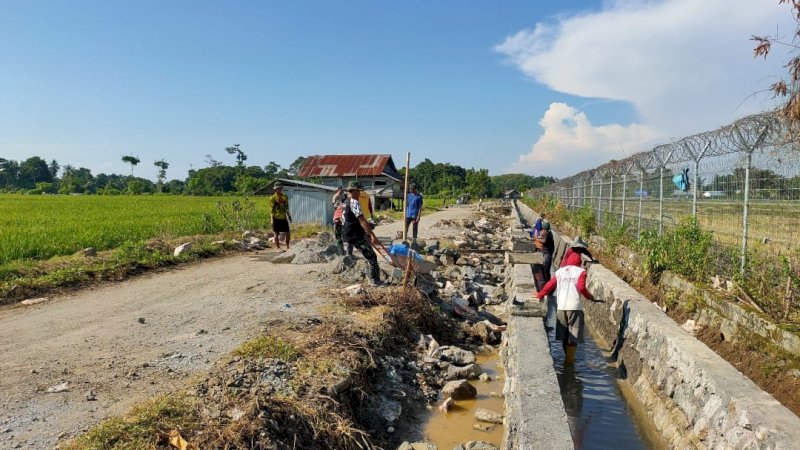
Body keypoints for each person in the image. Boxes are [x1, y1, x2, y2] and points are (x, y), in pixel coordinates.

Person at [536, 253, 595, 364]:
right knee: (573, 337)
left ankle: (565, 358)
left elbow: (549, 286)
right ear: (579, 262)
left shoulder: (560, 272)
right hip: (575, 308)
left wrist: (539, 294)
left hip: (561, 307)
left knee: (564, 335)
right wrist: (589, 296)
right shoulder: (581, 272)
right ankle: (569, 361)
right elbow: (582, 287)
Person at [342, 181, 382, 285]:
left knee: (367, 254)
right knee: (372, 256)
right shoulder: (354, 202)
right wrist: (372, 235)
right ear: (354, 191)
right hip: (354, 234)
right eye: (359, 191)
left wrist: (364, 232)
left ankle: (370, 277)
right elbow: (361, 220)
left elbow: (346, 219)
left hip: (349, 233)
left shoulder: (345, 202)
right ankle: (374, 280)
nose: (360, 194)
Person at [270, 182, 292, 250]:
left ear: (281, 188)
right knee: (276, 233)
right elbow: (271, 210)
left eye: (280, 188)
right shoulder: (273, 198)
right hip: (276, 217)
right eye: (277, 188)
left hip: (283, 217)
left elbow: (286, 207)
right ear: (275, 189)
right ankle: (278, 247)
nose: (279, 189)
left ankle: (288, 246)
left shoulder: (285, 196)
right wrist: (271, 220)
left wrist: (289, 216)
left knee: (287, 232)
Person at [332, 186, 347, 253]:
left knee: (340, 237)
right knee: (339, 237)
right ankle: (341, 251)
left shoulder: (343, 196)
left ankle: (342, 251)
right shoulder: (336, 196)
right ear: (338, 189)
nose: (342, 191)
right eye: (341, 190)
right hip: (338, 219)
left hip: (340, 218)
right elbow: (334, 205)